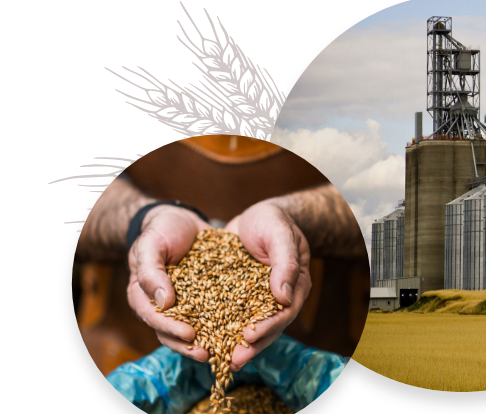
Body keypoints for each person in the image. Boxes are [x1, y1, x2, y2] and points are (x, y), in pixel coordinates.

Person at [75, 135, 369, 374]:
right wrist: (142, 220)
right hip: (121, 347)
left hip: (327, 349)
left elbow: (386, 203)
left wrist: (296, 219)